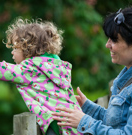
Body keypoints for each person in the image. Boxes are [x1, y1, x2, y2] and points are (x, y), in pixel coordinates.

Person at [0, 18, 82, 135]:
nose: (12, 52)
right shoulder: (55, 66)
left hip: (54, 121)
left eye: (16, 48)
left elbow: (7, 70)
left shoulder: (29, 68)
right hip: (74, 118)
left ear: (29, 50)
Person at [52, 7, 132, 135]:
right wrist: (87, 107)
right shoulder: (125, 78)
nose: (107, 45)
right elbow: (117, 122)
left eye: (114, 40)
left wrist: (84, 122)